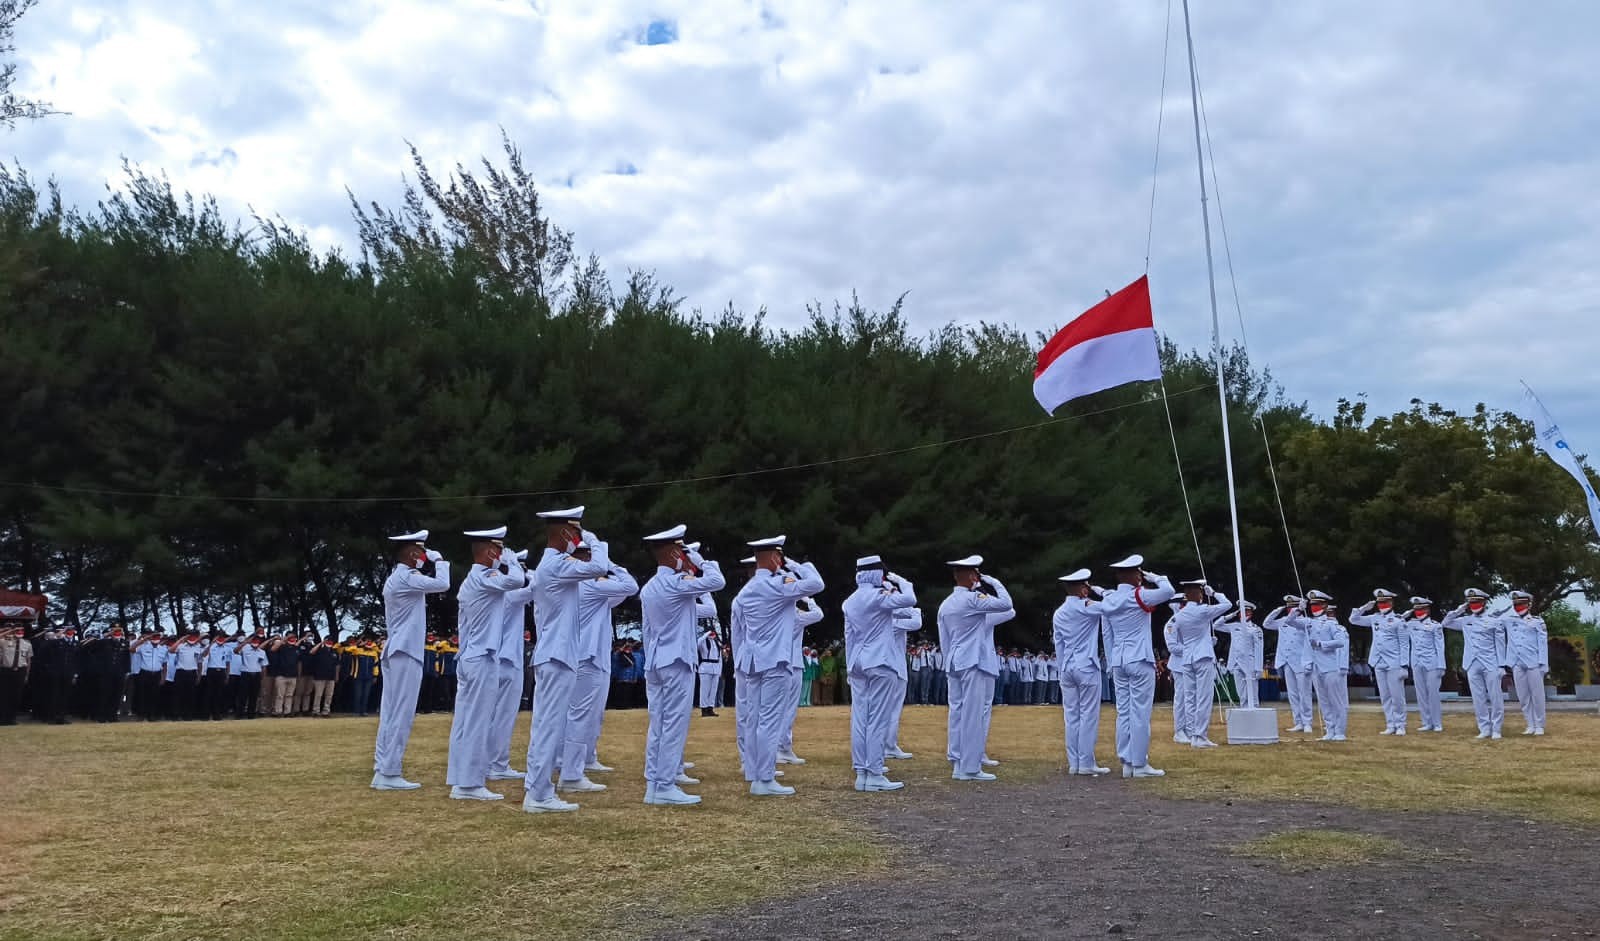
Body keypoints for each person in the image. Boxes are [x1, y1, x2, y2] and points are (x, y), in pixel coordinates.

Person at [519, 508, 615, 813]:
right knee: (548, 727)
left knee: (547, 725)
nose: (579, 538)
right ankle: (538, 795)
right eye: (575, 532)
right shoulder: (557, 564)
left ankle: (539, 789)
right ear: (564, 534)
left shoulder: (554, 564)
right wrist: (594, 540)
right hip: (556, 656)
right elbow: (600, 565)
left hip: (556, 655)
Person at [639, 525, 727, 805]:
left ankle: (654, 782)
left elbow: (647, 629)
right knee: (674, 723)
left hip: (655, 661)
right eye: (683, 551)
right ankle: (664, 786)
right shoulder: (676, 584)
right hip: (676, 661)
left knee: (658, 724)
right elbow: (717, 580)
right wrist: (701, 562)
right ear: (676, 551)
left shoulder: (651, 587)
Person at [731, 535, 823, 797]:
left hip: (752, 660)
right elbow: (816, 583)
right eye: (779, 556)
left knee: (754, 719)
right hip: (774, 660)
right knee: (769, 721)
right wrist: (793, 564)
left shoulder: (746, 591)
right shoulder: (777, 585)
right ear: (774, 557)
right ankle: (765, 778)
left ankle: (754, 772)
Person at [446, 525, 525, 801]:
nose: (503, 554)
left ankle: (458, 778)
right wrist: (511, 563)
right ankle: (469, 784)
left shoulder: (472, 579)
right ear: (491, 551)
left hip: (471, 657)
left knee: (466, 721)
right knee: (477, 721)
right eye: (500, 549)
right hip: (481, 658)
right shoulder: (485, 576)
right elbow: (517, 581)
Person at [560, 538, 637, 781]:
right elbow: (630, 586)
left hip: (597, 655)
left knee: (594, 714)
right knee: (580, 713)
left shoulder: (593, 584)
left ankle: (587, 757)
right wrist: (611, 564)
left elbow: (620, 595)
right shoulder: (589, 582)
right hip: (586, 655)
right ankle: (570, 769)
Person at [841, 555, 918, 791]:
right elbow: (911, 599)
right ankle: (874, 773)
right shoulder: (878, 597)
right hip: (881, 662)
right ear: (877, 575)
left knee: (860, 719)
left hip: (858, 663)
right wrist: (900, 580)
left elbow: (849, 637)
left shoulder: (850, 601)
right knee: (877, 719)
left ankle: (862, 773)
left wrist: (851, 664)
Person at [1097, 555, 1176, 779]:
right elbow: (1168, 591)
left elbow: (1107, 633)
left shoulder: (1110, 599)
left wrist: (1112, 661)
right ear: (1133, 575)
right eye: (1139, 574)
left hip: (1120, 660)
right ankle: (1139, 763)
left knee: (1124, 712)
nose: (1141, 577)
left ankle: (1127, 761)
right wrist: (1156, 576)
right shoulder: (1138, 594)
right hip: (1139, 659)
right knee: (1140, 713)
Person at [938, 555, 1013, 782]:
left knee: (957, 713)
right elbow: (1007, 604)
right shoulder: (973, 599)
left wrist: (949, 659)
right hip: (972, 661)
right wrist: (993, 581)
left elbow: (944, 639)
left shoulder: (946, 603)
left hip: (954, 661)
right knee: (972, 713)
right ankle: (970, 768)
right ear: (973, 576)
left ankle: (957, 761)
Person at [1052, 568, 1109, 775]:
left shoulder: (1059, 612)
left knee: (1071, 717)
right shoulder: (1087, 606)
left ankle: (1074, 763)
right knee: (1088, 716)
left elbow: (1058, 644)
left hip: (1067, 666)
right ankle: (1086, 763)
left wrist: (1061, 668)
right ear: (1084, 589)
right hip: (1086, 666)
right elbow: (1112, 605)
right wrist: (1100, 590)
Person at [485, 547, 533, 784]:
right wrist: (526, 572)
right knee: (503, 716)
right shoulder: (510, 595)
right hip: (507, 661)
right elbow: (535, 587)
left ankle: (494, 762)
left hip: (504, 660)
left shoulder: (503, 593)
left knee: (499, 715)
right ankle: (496, 764)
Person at [1166, 579, 1231, 748]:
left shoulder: (1179, 616)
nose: (1202, 595)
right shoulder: (1202, 610)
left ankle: (1193, 733)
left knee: (1190, 697)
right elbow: (1227, 604)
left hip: (1187, 659)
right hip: (1202, 657)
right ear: (1196, 594)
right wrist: (1214, 593)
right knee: (1203, 697)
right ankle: (1199, 735)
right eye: (1201, 592)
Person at [1442, 588, 1509, 740]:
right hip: (1472, 663)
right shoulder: (1466, 620)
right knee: (1478, 697)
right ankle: (1484, 728)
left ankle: (1496, 728)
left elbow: (1500, 645)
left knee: (1495, 696)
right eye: (1471, 602)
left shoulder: (1494, 621)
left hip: (1490, 663)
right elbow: (1445, 623)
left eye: (1477, 602)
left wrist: (1501, 666)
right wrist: (1460, 610)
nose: (1474, 605)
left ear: (1484, 602)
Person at [1350, 589, 1411, 735]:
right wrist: (1364, 608)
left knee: (1397, 696)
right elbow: (1353, 619)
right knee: (1385, 696)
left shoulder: (1398, 620)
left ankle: (1400, 724)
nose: (1382, 605)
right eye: (1380, 602)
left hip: (1394, 662)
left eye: (1385, 602)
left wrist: (1404, 665)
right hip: (1378, 661)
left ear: (1391, 602)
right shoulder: (1374, 618)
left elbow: (1404, 644)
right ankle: (1390, 724)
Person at [778, 596, 824, 763]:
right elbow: (818, 614)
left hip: (776, 662)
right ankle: (783, 747)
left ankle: (776, 747)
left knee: (776, 709)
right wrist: (809, 600)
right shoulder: (795, 615)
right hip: (793, 663)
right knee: (788, 709)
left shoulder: (774, 612)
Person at [1263, 595, 1314, 733]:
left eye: (1293, 606)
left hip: (1300, 661)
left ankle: (1307, 721)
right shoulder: (1283, 620)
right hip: (1286, 661)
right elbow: (1266, 623)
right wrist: (1278, 610)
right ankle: (1298, 722)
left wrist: (1299, 610)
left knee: (1304, 693)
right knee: (1292, 694)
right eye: (1288, 606)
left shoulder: (1306, 621)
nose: (1290, 609)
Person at [1503, 590, 1549, 736]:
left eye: (1521, 604)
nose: (1518, 606)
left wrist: (1543, 663)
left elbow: (1543, 644)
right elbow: (1494, 617)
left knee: (1537, 695)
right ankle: (1530, 724)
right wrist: (1507, 609)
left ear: (1528, 605)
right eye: (1515, 604)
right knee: (1523, 696)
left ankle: (1540, 724)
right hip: (1517, 662)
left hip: (1533, 662)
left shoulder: (1537, 621)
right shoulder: (1509, 620)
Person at [1307, 598, 1349, 741]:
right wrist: (1297, 610)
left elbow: (1341, 642)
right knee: (1323, 702)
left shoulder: (1332, 625)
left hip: (1331, 667)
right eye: (1311, 605)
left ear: (1324, 606)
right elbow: (1291, 622)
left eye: (1316, 605)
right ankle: (1330, 729)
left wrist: (1320, 643)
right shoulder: (1310, 623)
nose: (1314, 608)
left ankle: (1340, 731)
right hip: (1317, 667)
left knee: (1336, 701)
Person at [884, 602, 921, 759]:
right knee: (892, 709)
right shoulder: (894, 622)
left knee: (885, 709)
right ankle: (889, 745)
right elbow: (916, 622)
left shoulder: (884, 619)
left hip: (888, 666)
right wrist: (915, 610)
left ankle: (886, 744)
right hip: (896, 668)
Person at [1405, 597, 1446, 732]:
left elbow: (1440, 646)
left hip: (1432, 663)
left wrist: (1441, 666)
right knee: (1421, 694)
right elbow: (1399, 621)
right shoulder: (1411, 624)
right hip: (1417, 662)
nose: (1418, 612)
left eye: (1421, 609)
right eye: (1416, 609)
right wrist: (1408, 612)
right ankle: (1426, 722)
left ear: (1427, 609)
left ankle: (1437, 722)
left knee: (1433, 693)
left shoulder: (1435, 625)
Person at [1214, 601, 1262, 708]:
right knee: (1241, 694)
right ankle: (1244, 713)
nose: (1243, 614)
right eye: (1241, 612)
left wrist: (1259, 668)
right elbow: (1216, 625)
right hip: (1235, 663)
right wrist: (1230, 616)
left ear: (1251, 613)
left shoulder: (1255, 629)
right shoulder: (1234, 626)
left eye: (1246, 611)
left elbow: (1259, 650)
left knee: (1253, 693)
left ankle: (1255, 713)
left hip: (1250, 664)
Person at [0, 622, 31, 725]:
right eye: (17, 630)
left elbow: (28, 660)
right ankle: (3, 718)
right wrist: (10, 631)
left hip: (20, 671)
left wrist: (26, 674)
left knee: (16, 696)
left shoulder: (27, 643)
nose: (20, 632)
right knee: (4, 695)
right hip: (6, 670)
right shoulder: (4, 641)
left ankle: (12, 718)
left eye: (22, 630)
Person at [234, 633, 267, 719]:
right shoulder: (245, 649)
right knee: (243, 696)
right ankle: (239, 714)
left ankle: (251, 715)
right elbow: (235, 651)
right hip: (246, 674)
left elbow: (264, 666)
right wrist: (245, 642)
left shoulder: (262, 652)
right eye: (254, 641)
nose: (256, 642)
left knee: (254, 696)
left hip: (256, 675)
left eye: (258, 641)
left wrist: (262, 678)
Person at [696, 625, 723, 717]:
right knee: (704, 690)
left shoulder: (717, 643)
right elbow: (697, 643)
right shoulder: (703, 641)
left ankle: (710, 708)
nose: (712, 633)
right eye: (711, 631)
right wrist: (706, 634)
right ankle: (704, 709)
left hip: (715, 668)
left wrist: (720, 670)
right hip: (705, 667)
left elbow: (720, 658)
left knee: (713, 690)